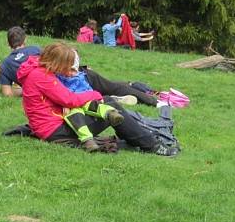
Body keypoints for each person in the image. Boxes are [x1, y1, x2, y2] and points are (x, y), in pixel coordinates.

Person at [16, 42, 179, 156]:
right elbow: (70, 99)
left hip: (50, 126)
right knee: (111, 106)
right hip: (56, 130)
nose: (67, 70)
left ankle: (143, 139)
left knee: (109, 105)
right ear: (56, 62)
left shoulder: (36, 69)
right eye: (66, 65)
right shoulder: (41, 76)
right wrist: (95, 94)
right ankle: (152, 146)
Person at [0, 27, 158, 106]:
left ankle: (146, 96)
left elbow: (7, 94)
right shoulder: (35, 49)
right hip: (75, 76)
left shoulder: (6, 65)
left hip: (65, 86)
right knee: (113, 86)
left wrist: (25, 90)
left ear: (8, 44)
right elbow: (58, 62)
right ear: (24, 40)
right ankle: (152, 99)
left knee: (112, 86)